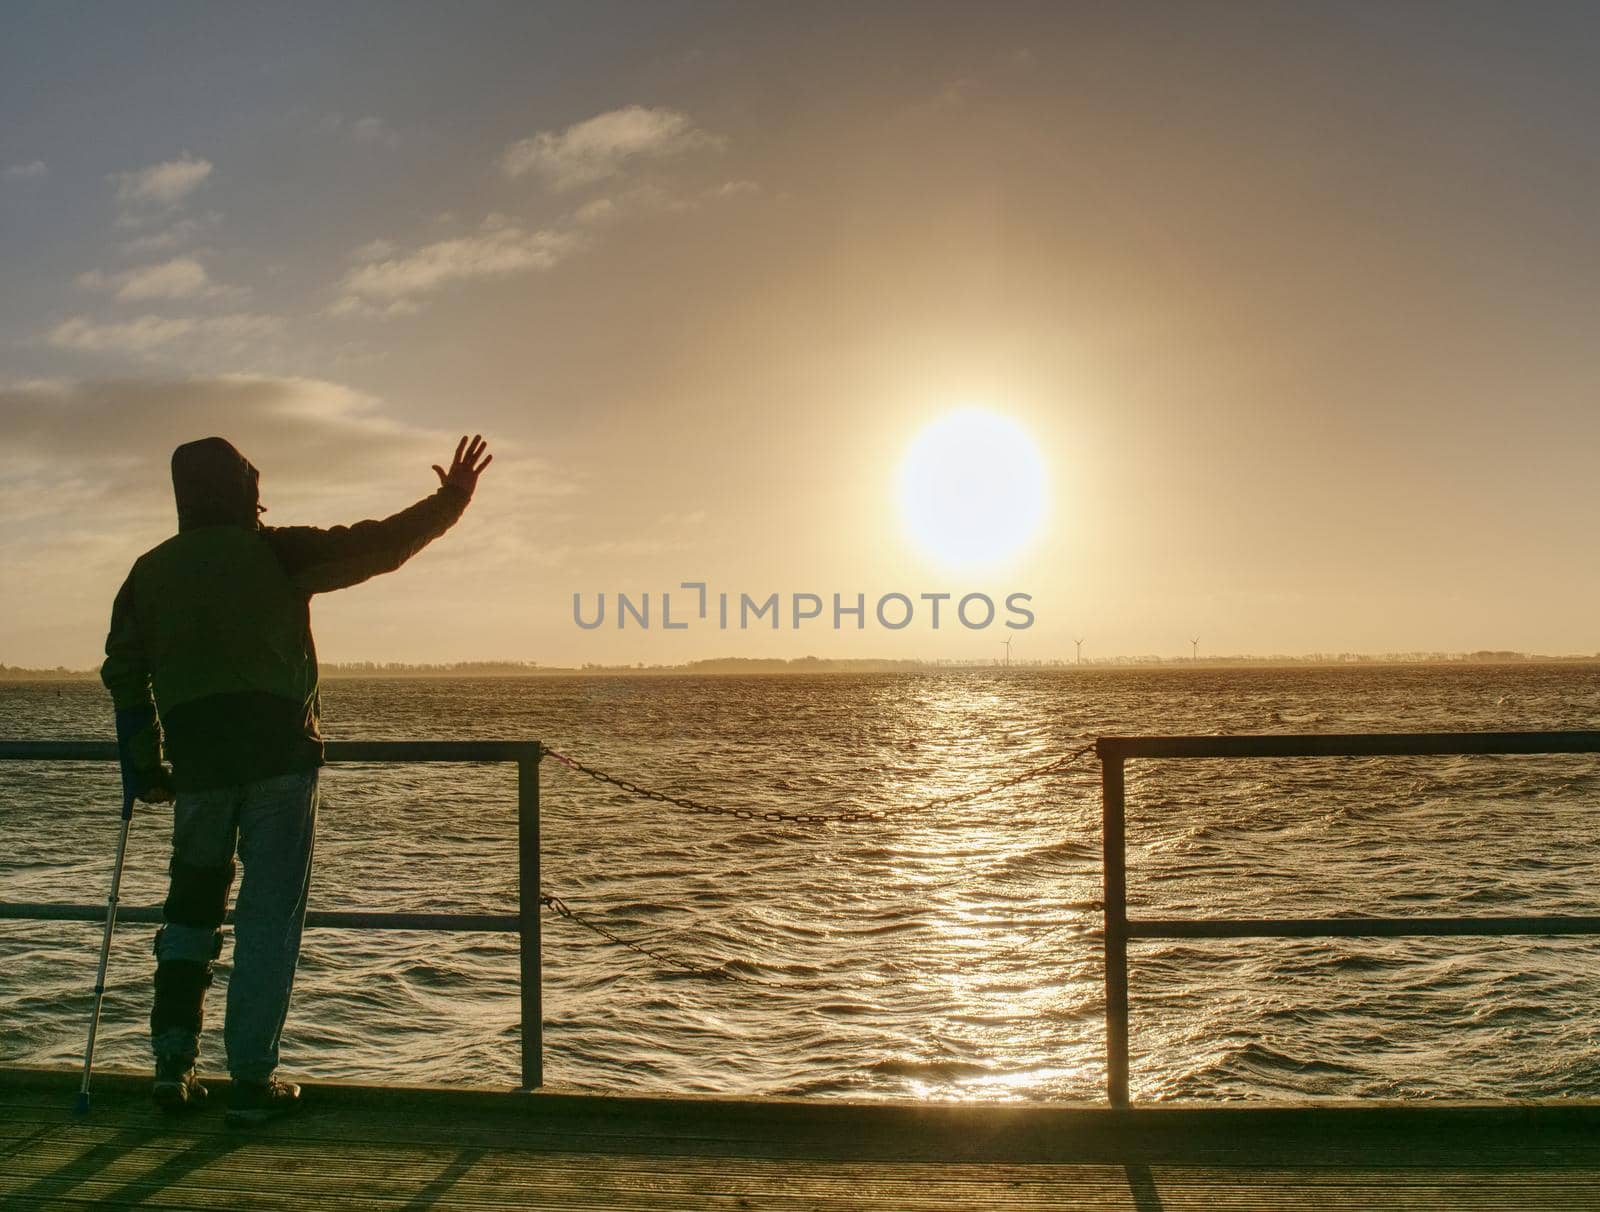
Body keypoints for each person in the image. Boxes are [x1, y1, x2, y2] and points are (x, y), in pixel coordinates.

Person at [100, 433, 491, 1124]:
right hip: (278, 758)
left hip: (197, 766)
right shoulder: (275, 552)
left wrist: (144, 765)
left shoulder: (147, 573)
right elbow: (379, 546)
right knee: (267, 921)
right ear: (244, 491)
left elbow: (125, 674)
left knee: (190, 908)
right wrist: (451, 499)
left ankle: (172, 1064)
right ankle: (252, 1081)